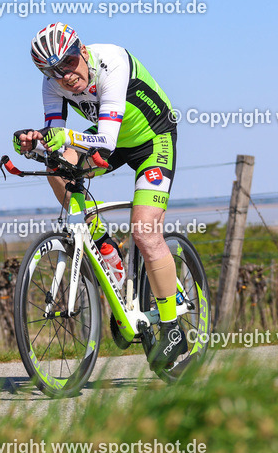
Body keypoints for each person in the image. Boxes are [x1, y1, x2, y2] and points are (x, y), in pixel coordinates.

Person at [12, 22, 185, 368]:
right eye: (52, 71)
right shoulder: (52, 85)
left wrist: (63, 138)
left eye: (68, 62)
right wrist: (36, 140)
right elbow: (55, 135)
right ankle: (102, 245)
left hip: (152, 139)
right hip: (111, 140)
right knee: (55, 164)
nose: (65, 75)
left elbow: (104, 141)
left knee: (145, 231)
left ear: (82, 50)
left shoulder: (112, 63)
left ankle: (173, 328)